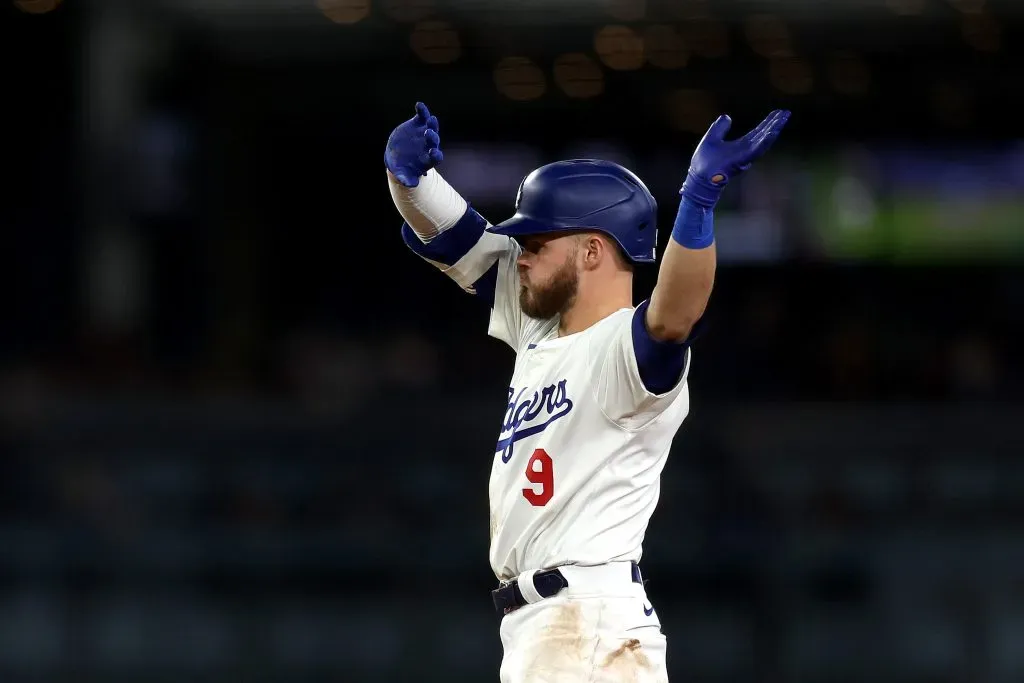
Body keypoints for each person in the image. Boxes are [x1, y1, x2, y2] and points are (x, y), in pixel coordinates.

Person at [385, 101, 789, 682]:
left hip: (588, 624)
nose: (519, 254)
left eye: (536, 243)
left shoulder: (622, 353)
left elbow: (674, 316)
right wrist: (406, 178)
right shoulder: (536, 325)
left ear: (592, 250)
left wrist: (698, 202)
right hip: (551, 629)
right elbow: (450, 233)